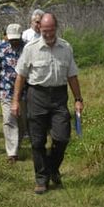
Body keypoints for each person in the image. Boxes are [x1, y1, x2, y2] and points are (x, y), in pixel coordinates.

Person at [11, 13, 84, 194]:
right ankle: (41, 179)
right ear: (39, 29)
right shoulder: (31, 48)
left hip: (59, 97)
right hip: (37, 96)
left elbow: (72, 75)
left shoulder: (66, 47)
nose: (48, 34)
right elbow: (20, 76)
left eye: (51, 31)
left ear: (56, 28)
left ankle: (52, 167)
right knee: (37, 141)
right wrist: (15, 101)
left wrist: (78, 99)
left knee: (62, 137)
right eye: (44, 31)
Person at [0, 24, 27, 164]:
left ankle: (17, 145)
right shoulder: (2, 49)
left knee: (21, 121)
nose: (14, 42)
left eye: (16, 39)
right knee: (8, 120)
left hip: (24, 92)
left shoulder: (27, 48)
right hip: (6, 90)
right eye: (11, 39)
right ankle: (12, 154)